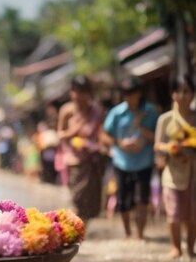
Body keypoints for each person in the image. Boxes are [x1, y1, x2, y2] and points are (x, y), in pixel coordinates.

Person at [102, 75, 158, 239]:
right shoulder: (116, 113)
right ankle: (127, 233)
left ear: (139, 93)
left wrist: (140, 127)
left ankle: (140, 235)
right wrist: (120, 144)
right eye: (126, 94)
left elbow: (158, 136)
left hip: (144, 161)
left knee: (142, 198)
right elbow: (104, 135)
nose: (129, 97)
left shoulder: (151, 112)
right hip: (122, 161)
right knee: (123, 199)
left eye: (132, 93)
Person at [154, 74, 196, 259]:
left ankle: (191, 248)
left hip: (194, 171)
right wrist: (171, 148)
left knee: (193, 213)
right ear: (173, 95)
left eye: (186, 91)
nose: (182, 95)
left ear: (193, 94)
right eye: (178, 91)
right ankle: (175, 247)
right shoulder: (165, 119)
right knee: (174, 213)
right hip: (173, 172)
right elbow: (157, 145)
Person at [57, 75, 106, 223]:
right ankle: (76, 227)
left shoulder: (96, 110)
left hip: (93, 159)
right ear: (72, 92)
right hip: (74, 160)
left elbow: (102, 134)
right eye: (77, 92)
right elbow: (60, 134)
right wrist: (73, 132)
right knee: (77, 198)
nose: (80, 97)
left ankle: (81, 228)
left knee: (90, 201)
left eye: (84, 93)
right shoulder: (67, 111)